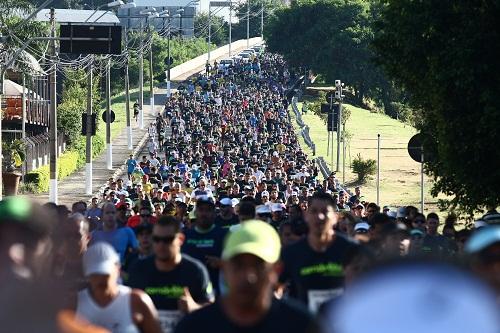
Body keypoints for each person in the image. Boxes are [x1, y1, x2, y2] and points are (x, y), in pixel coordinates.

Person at [175, 220, 318, 333]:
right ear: (224, 267)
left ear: (277, 270)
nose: (248, 276)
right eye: (238, 265)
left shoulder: (302, 326)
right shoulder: (193, 327)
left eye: (259, 266)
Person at [128, 216, 214, 333]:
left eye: (168, 240)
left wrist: (193, 307)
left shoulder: (195, 270)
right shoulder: (138, 269)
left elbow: (211, 309)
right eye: (156, 239)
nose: (161, 244)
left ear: (180, 239)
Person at [279, 192, 360, 313]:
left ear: (335, 217)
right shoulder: (291, 253)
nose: (319, 217)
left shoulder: (352, 250)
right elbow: (275, 287)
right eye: (314, 211)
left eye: (325, 212)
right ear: (306, 215)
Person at [76, 243, 162, 333]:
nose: (100, 279)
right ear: (86, 274)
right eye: (95, 274)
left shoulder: (137, 301)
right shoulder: (74, 302)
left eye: (105, 273)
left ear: (118, 269)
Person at [182, 196, 228, 295]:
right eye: (201, 210)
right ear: (195, 213)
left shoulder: (224, 235)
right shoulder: (185, 236)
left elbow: (236, 264)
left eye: (208, 210)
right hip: (190, 292)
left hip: (217, 291)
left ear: (214, 213)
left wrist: (222, 263)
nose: (204, 214)